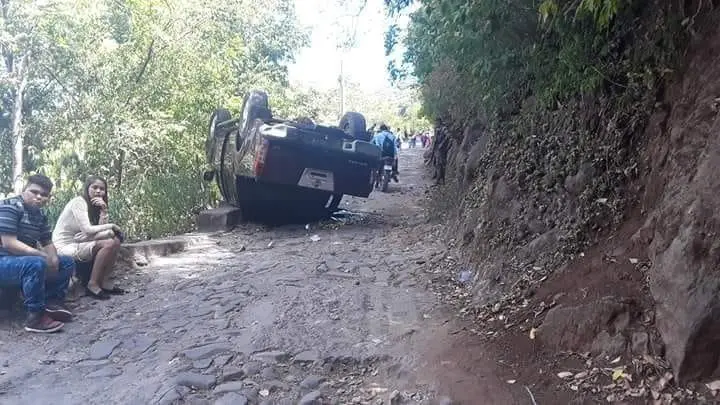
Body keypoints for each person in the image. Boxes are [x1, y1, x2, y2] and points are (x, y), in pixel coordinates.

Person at [0, 174, 74, 333]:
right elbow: (9, 243)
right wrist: (41, 255)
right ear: (24, 190)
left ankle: (52, 303)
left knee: (66, 262)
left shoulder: (40, 215)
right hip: (3, 260)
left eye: (44, 195)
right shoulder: (10, 206)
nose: (39, 197)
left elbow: (47, 242)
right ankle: (35, 317)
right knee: (36, 262)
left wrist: (53, 259)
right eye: (34, 192)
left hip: (20, 261)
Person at [53, 176, 125, 300]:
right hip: (65, 246)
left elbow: (96, 231)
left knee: (115, 242)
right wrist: (112, 227)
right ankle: (92, 284)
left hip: (79, 241)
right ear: (87, 188)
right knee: (108, 243)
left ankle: (104, 282)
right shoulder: (79, 202)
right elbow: (88, 230)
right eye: (94, 187)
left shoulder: (95, 207)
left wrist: (104, 211)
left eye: (102, 189)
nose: (98, 191)